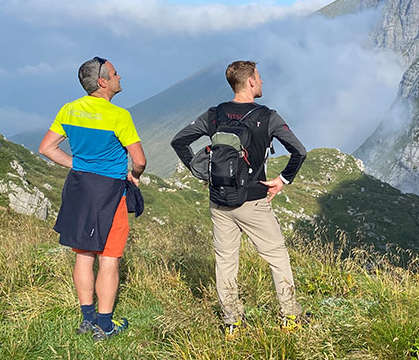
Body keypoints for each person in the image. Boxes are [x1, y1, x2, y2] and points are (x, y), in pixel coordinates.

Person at [170, 60, 307, 337]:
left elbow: (179, 141)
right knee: (277, 256)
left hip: (219, 200)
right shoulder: (268, 116)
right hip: (254, 200)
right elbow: (299, 151)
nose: (262, 81)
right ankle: (290, 316)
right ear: (251, 83)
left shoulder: (215, 114)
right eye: (259, 77)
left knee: (225, 260)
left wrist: (201, 172)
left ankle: (232, 322)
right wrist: (282, 180)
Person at [39, 56, 145, 341]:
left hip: (78, 187)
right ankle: (105, 325)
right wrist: (134, 174)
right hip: (109, 191)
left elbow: (47, 147)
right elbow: (139, 160)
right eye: (114, 73)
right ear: (103, 82)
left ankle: (87, 319)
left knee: (84, 255)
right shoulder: (119, 116)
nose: (119, 76)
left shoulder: (69, 109)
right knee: (109, 258)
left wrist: (76, 163)